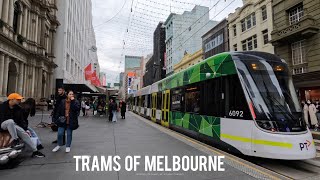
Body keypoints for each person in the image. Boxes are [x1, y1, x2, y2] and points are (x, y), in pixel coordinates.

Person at [0, 93, 45, 157]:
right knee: (10, 121)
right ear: (12, 99)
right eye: (18, 99)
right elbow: (2, 119)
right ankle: (15, 140)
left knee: (24, 133)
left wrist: (25, 128)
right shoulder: (2, 106)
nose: (19, 101)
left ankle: (35, 151)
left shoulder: (18, 108)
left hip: (13, 125)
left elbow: (21, 120)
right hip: (3, 124)